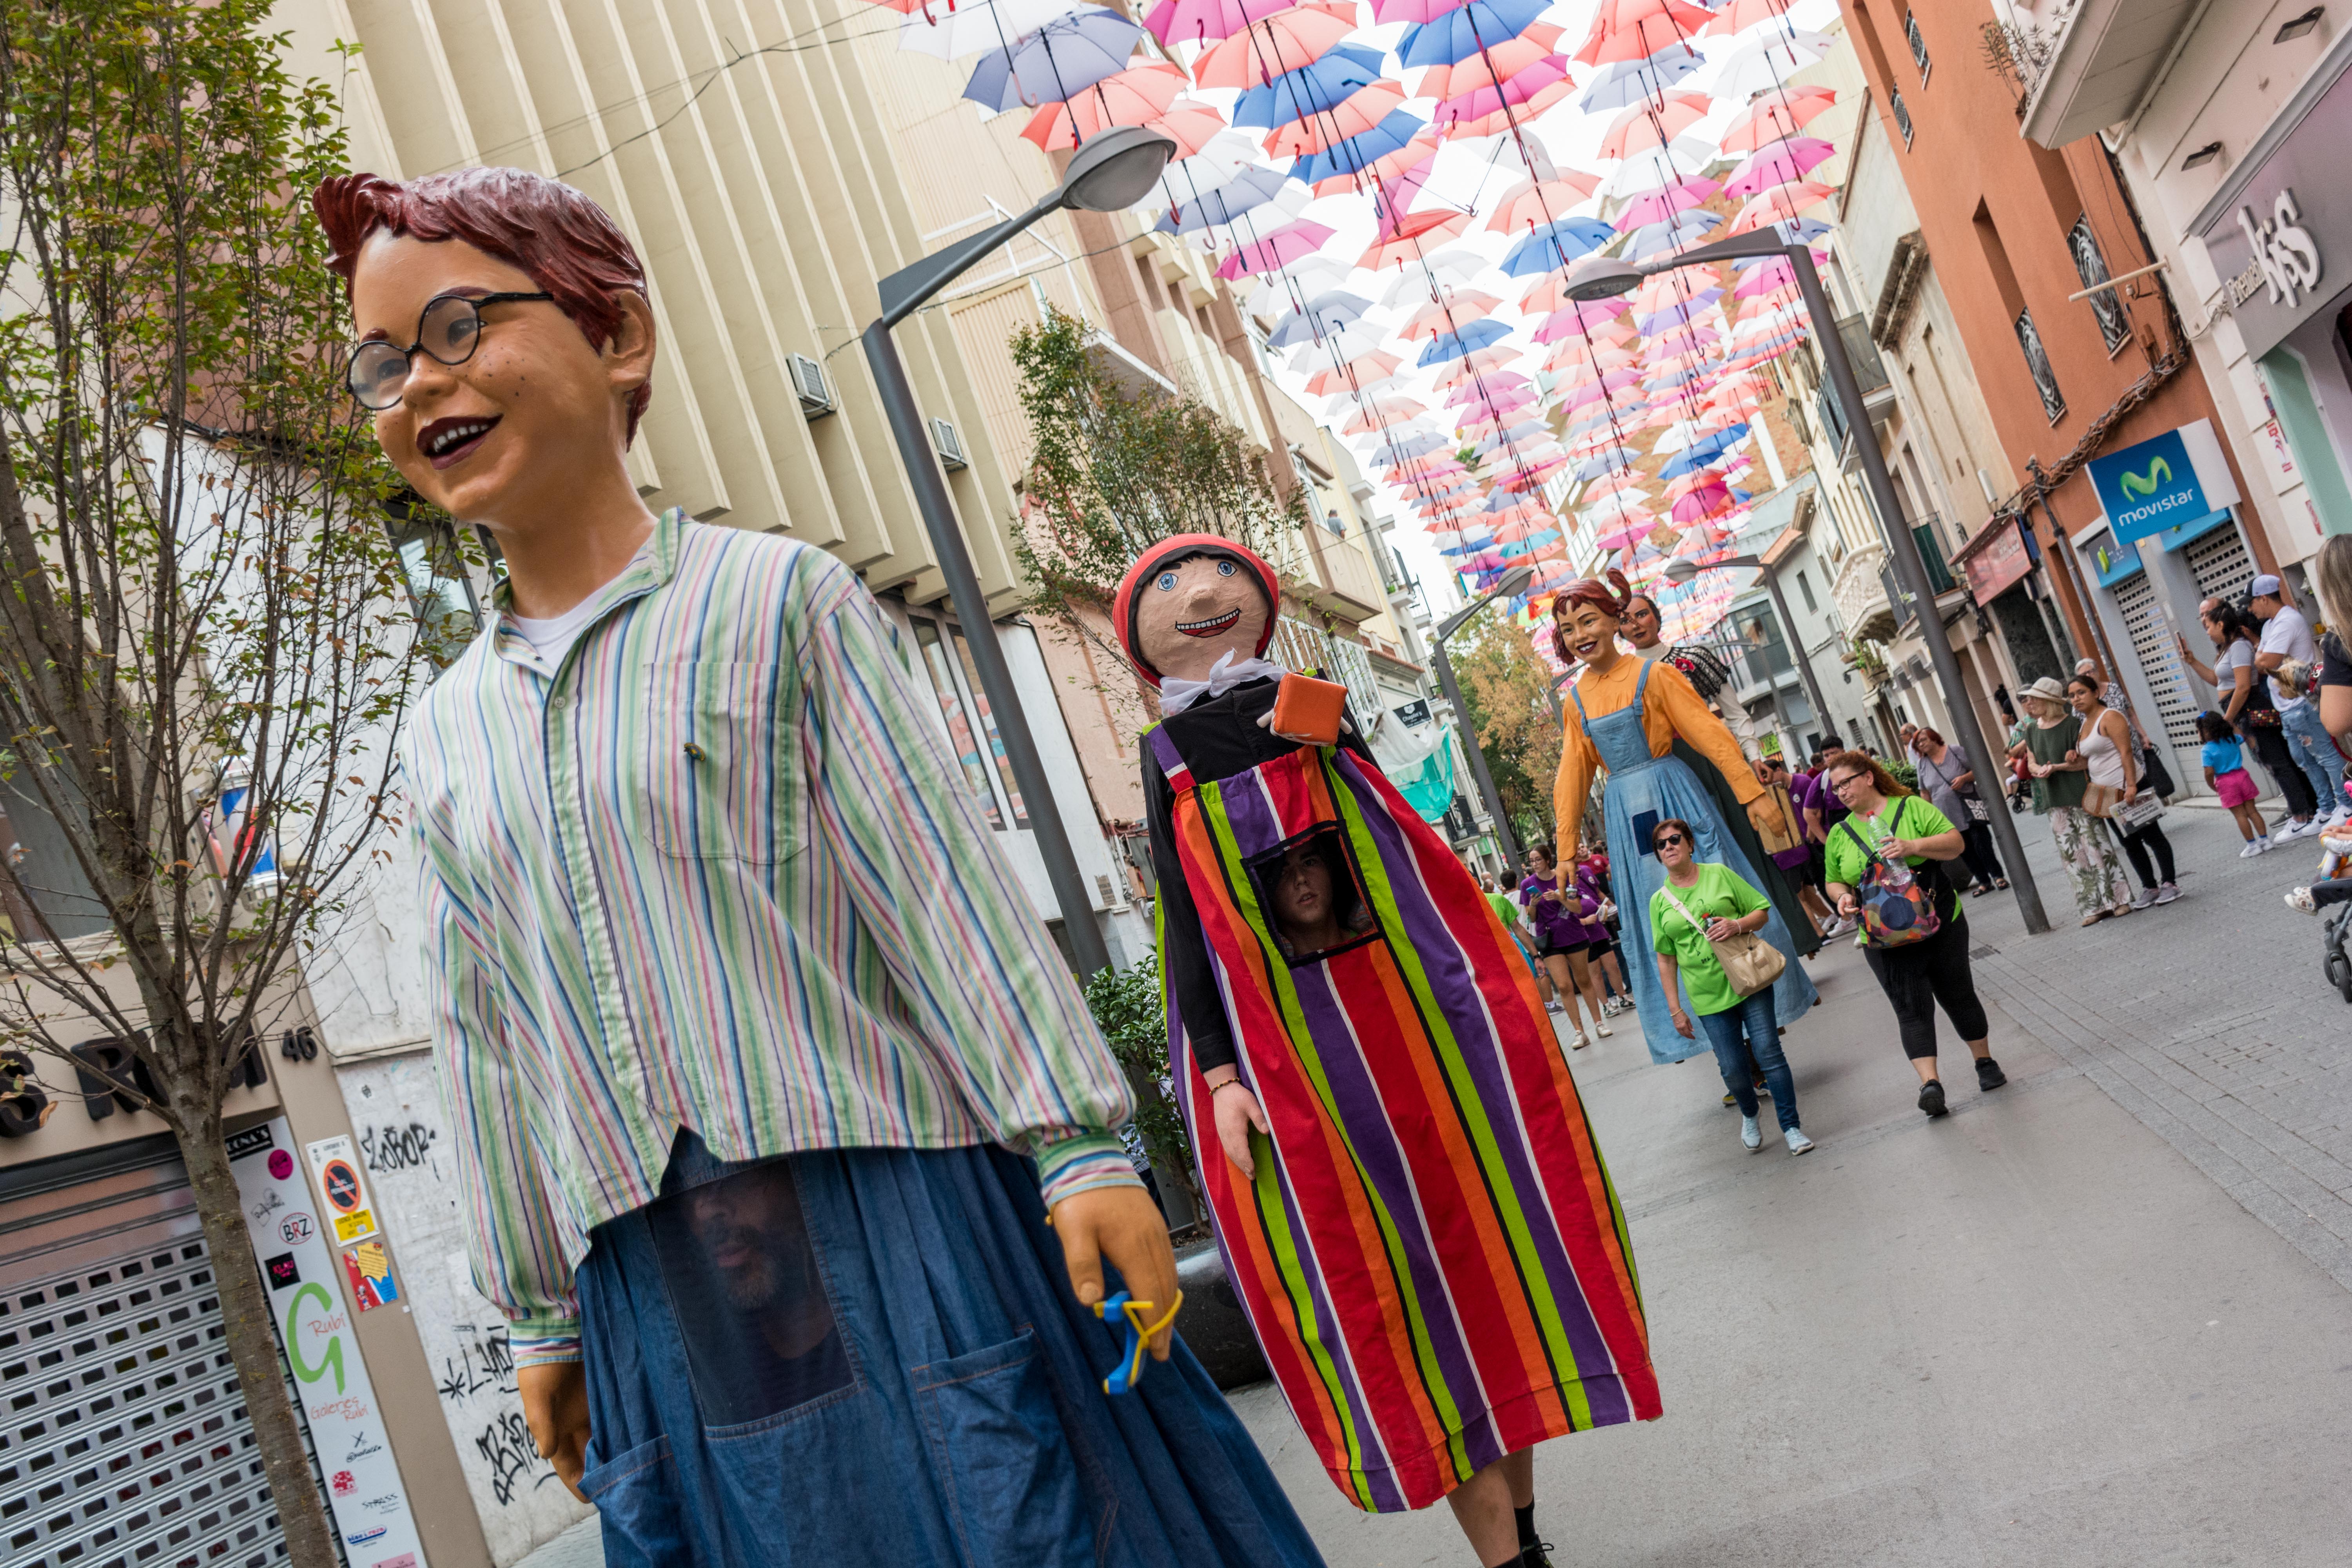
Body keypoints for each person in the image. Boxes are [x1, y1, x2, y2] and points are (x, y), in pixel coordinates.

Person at [326, 168, 1325, 1566]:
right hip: (656, 1287)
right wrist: (543, 1312)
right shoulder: (441, 733)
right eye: (381, 362)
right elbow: (488, 1029)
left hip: (896, 1221)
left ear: (616, 336)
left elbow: (935, 887)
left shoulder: (775, 599)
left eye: (456, 327)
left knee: (1017, 1522)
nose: (421, 385)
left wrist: (1080, 1140)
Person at [1125, 536, 1659, 1564]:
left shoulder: (1314, 704)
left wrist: (1483, 991)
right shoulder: (1170, 758)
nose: (1200, 593)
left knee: (1498, 1262)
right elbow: (1183, 925)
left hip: (1417, 1035)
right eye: (1167, 585)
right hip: (1298, 1073)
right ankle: (1515, 1559)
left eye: (1220, 574)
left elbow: (1408, 859)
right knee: (1404, 1303)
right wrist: (1222, 1076)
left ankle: (1527, 1535)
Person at [1550, 572, 1817, 1067]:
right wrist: (1565, 848)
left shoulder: (1654, 675)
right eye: (1568, 629)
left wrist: (1752, 793)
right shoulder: (1575, 700)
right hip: (1628, 817)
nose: (1580, 635)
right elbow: (1572, 771)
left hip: (1675, 796)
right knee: (1666, 923)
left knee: (1713, 899)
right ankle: (1716, 1041)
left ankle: (1760, 1015)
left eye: (1588, 620)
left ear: (1615, 620)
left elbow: (1708, 732)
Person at [1618, 595, 1818, 953]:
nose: (1636, 624)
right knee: (1698, 862)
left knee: (1750, 852)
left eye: (1642, 614)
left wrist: (1753, 755)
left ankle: (1790, 944)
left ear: (1657, 617)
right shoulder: (1624, 681)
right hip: (1670, 772)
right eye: (1626, 619)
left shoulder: (1695, 660)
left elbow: (1735, 713)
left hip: (1718, 762)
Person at [1820, 753, 2006, 1118]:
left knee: (1957, 994)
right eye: (1836, 787)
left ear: (1869, 777)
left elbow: (1956, 844)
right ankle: (1930, 1085)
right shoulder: (1840, 834)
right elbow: (1833, 878)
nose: (1841, 792)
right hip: (1883, 934)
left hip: (1941, 921)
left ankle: (1984, 1062)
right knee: (1910, 1008)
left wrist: (1912, 847)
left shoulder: (1913, 807)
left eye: (1847, 783)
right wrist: (1841, 897)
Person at [1647, 818, 1813, 1156]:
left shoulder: (1719, 875)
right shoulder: (1659, 902)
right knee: (1733, 1069)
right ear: (1659, 855)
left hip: (1748, 980)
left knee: (1769, 1052)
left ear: (1691, 844)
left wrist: (1736, 924)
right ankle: (1750, 1113)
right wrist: (1675, 1009)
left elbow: (1761, 911)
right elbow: (1666, 959)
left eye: (1675, 839)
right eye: (1662, 844)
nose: (1669, 847)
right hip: (1707, 996)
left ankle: (1792, 1127)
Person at [2180, 598, 2320, 837]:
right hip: (2242, 713)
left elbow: (2244, 687)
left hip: (2250, 711)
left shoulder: (2239, 647)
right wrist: (2192, 662)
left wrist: (2227, 719)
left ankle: (2303, 814)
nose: (2207, 630)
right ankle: (2303, 811)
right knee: (2271, 762)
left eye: (2209, 626)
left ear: (2222, 624)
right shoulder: (2226, 649)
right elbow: (2218, 681)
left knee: (2278, 762)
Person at [2009, 676, 2135, 927]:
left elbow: (2084, 761)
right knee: (2072, 855)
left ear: (2048, 701)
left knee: (2097, 848)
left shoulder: (2074, 725)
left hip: (2080, 795)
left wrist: (2056, 768)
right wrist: (2038, 769)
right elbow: (2031, 759)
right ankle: (2092, 907)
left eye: (2034, 698)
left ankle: (2119, 901)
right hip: (2053, 798)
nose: (2030, 702)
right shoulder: (2032, 729)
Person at [2067, 673, 2177, 907]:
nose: (2076, 699)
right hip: (2107, 795)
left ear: (2096, 693)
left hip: (2130, 787)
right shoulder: (2083, 725)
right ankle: (2150, 887)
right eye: (2072, 696)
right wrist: (2072, 756)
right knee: (2130, 842)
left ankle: (2170, 883)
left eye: (2081, 693)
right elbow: (2090, 760)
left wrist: (2131, 786)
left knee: (2152, 836)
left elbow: (2126, 752)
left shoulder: (2111, 717)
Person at [2250, 574, 2345, 829]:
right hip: (2288, 706)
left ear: (2263, 598)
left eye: (2252, 603)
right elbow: (2261, 657)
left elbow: (2266, 662)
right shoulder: (2270, 625)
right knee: (2305, 761)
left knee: (2326, 756)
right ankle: (2326, 809)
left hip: (2302, 703)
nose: (2250, 609)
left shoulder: (2287, 621)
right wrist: (2261, 652)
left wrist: (2261, 653)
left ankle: (2345, 805)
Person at [1520, 842, 1614, 1048]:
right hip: (1550, 940)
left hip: (1574, 935)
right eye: (1531, 861)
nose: (1534, 864)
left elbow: (1577, 907)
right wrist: (1534, 905)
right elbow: (1532, 918)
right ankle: (1579, 1031)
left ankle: (1599, 1023)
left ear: (1547, 860)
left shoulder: (1564, 877)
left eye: (1538, 860)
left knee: (1584, 981)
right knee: (1563, 985)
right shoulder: (1527, 885)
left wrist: (1559, 897)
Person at [1907, 727, 2006, 895]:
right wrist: (1928, 815)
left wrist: (1964, 779)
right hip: (1946, 815)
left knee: (1982, 844)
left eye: (1923, 740)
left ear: (1934, 738)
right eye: (1917, 743)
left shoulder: (1954, 751)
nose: (1921, 744)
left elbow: (1977, 771)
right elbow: (1924, 792)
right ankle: (1983, 881)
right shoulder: (1922, 765)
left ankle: (1998, 876)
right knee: (1965, 850)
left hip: (1969, 808)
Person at [1485, 871, 1563, 1014]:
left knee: (1535, 973)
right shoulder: (1519, 895)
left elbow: (1518, 927)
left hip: (1518, 944)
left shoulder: (1501, 899)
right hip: (1526, 938)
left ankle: (1541, 1006)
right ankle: (1549, 1005)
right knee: (1539, 973)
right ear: (1516, 881)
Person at [2199, 711, 2270, 855]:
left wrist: (2212, 786)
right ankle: (2265, 841)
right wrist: (2231, 723)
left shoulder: (2207, 750)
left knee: (2240, 816)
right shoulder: (2232, 740)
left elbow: (2209, 772)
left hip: (2225, 782)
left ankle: (2252, 845)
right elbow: (2242, 735)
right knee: (2252, 811)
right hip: (2243, 776)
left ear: (2206, 731)